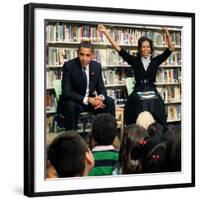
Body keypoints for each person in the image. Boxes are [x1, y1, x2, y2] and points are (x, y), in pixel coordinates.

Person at [98, 24, 175, 130]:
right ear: (139, 49)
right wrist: (106, 32)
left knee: (158, 102)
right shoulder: (134, 61)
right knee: (136, 102)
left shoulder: (156, 61)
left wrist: (166, 31)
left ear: (151, 48)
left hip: (151, 88)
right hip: (138, 88)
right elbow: (118, 49)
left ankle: (160, 128)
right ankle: (135, 129)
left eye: (148, 46)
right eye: (143, 46)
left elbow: (171, 48)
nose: (146, 49)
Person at [59, 40, 115, 130]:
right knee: (70, 106)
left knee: (109, 102)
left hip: (90, 102)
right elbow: (67, 92)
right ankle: (71, 138)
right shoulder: (69, 66)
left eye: (88, 55)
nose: (84, 58)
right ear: (78, 53)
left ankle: (108, 136)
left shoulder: (96, 66)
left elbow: (101, 87)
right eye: (82, 54)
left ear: (92, 55)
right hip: (75, 101)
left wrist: (100, 98)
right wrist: (88, 100)